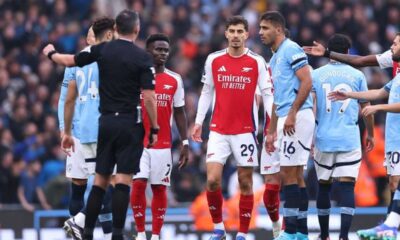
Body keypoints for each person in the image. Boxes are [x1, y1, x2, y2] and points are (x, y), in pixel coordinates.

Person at [43, 9, 158, 240]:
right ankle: (94, 227)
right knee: (115, 183)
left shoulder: (91, 56)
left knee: (96, 183)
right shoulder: (110, 56)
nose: (89, 37)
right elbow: (147, 96)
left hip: (84, 129)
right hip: (108, 125)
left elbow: (68, 99)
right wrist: (153, 127)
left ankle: (91, 232)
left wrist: (64, 130)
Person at [191, 15, 273, 240]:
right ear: (226, 33)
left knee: (245, 183)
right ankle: (218, 228)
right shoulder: (213, 60)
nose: (236, 36)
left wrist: (270, 127)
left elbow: (267, 95)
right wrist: (198, 122)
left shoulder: (257, 62)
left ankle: (243, 233)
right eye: (232, 31)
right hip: (218, 130)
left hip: (245, 132)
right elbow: (207, 92)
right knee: (212, 180)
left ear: (247, 34)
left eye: (240, 31)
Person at [329, 34, 400, 240]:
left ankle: (391, 226)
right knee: (394, 184)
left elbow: (381, 100)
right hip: (394, 136)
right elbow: (378, 92)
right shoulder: (397, 76)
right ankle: (390, 227)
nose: (391, 46)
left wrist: (378, 108)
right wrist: (350, 95)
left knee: (397, 182)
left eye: (395, 43)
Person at [311, 34, 375, 240]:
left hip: (323, 138)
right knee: (347, 186)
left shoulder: (317, 74)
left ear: (329, 51)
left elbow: (311, 108)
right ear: (348, 52)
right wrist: (371, 134)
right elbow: (367, 108)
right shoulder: (357, 76)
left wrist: (311, 136)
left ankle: (324, 235)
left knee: (324, 186)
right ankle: (344, 236)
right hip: (349, 138)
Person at [259, 11, 315, 240]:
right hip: (286, 116)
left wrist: (292, 113)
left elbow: (307, 81)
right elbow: (277, 96)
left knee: (288, 173)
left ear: (279, 29)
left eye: (265, 28)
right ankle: (301, 231)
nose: (260, 33)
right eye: (260, 28)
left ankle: (290, 231)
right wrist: (272, 131)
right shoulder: (274, 58)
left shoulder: (291, 49)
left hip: (298, 116)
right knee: (296, 175)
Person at [61, 17, 116, 240]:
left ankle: (100, 232)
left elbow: (69, 100)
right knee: (97, 183)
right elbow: (65, 98)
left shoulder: (79, 61)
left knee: (101, 182)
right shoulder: (101, 59)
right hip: (90, 130)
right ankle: (84, 226)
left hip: (84, 129)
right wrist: (63, 129)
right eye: (93, 33)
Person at [130, 33, 189, 240]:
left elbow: (180, 112)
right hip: (138, 143)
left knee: (159, 189)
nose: (162, 53)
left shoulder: (175, 80)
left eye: (165, 50)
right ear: (148, 51)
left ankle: (155, 236)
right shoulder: (135, 77)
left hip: (163, 144)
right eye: (158, 49)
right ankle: (139, 233)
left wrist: (185, 142)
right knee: (138, 185)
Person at [303, 34, 400, 78]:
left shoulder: (315, 75)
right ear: (348, 51)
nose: (391, 47)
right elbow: (361, 61)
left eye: (395, 44)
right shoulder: (358, 76)